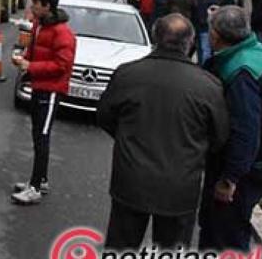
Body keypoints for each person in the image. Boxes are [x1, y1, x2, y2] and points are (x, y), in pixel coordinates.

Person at [97, 14, 229, 250]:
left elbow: (105, 117)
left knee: (121, 245)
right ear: (190, 43)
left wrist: (130, 138)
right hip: (181, 184)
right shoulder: (209, 85)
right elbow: (219, 137)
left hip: (131, 178)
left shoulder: (128, 74)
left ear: (155, 38)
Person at [199, 6, 262, 251]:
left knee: (226, 233)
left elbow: (245, 130)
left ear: (216, 35)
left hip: (250, 167)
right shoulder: (258, 54)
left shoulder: (241, 72)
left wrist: (229, 178)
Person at [10, 0, 76, 205]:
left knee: (42, 137)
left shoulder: (62, 33)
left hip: (51, 90)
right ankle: (41, 179)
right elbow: (34, 50)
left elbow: (62, 65)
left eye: (35, 4)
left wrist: (31, 66)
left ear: (46, 6)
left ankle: (35, 187)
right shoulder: (39, 25)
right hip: (40, 86)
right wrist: (23, 58)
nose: (32, 7)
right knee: (37, 134)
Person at [193, 0, 223, 65]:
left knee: (205, 48)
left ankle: (205, 66)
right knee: (200, 48)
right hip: (198, 25)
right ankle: (201, 64)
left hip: (206, 26)